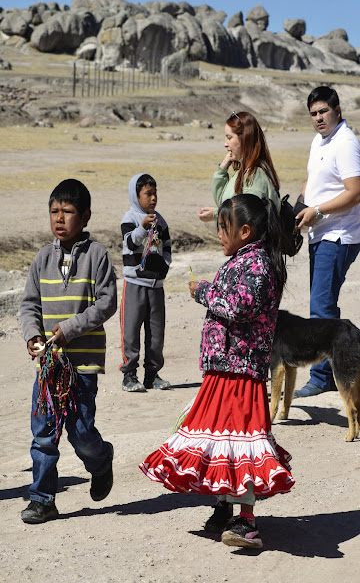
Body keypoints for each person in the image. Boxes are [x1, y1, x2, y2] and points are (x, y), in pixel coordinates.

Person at [139, 194, 294, 549]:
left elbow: (239, 307)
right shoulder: (242, 261)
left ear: (245, 231)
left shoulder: (259, 266)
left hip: (241, 371)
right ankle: (224, 506)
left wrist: (205, 293)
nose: (219, 235)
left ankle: (247, 520)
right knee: (219, 439)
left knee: (243, 444)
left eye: (224, 228)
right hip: (223, 368)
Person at [20, 179, 117, 524]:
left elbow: (107, 304)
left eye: (68, 211)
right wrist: (33, 336)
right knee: (44, 432)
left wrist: (71, 329)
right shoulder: (42, 258)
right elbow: (29, 305)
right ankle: (42, 498)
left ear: (86, 215)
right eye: (54, 211)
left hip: (83, 364)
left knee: (80, 431)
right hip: (49, 366)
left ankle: (101, 460)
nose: (59, 218)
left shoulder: (97, 256)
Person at [295, 86, 360, 398]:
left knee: (321, 307)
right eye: (313, 114)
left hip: (338, 235)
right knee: (323, 304)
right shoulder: (320, 140)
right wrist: (296, 206)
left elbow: (354, 192)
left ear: (337, 109)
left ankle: (322, 377)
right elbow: (314, 180)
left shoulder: (346, 143)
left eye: (322, 111)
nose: (318, 118)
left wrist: (317, 210)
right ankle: (338, 369)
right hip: (320, 232)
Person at [120, 173, 172, 392]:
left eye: (155, 193)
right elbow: (130, 243)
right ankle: (129, 376)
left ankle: (152, 375)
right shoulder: (130, 219)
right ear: (136, 195)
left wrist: (164, 267)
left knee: (156, 334)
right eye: (148, 194)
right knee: (130, 332)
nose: (153, 198)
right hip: (134, 285)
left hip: (156, 287)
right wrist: (142, 227)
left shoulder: (161, 220)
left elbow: (167, 246)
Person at [197, 111, 281, 223]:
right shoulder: (245, 170)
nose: (225, 144)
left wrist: (217, 214)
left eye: (229, 137)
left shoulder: (255, 175)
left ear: (244, 138)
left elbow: (248, 217)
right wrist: (222, 169)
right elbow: (223, 202)